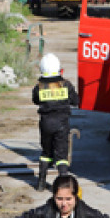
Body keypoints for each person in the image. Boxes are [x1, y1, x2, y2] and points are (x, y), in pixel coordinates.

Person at [32, 53, 79, 192]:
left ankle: (41, 183)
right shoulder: (66, 85)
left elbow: (35, 100)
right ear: (59, 69)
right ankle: (63, 184)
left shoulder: (39, 87)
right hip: (61, 124)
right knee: (61, 155)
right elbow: (76, 101)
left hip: (45, 123)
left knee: (46, 152)